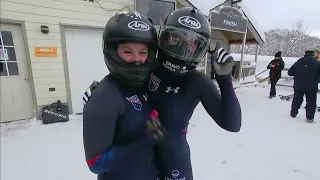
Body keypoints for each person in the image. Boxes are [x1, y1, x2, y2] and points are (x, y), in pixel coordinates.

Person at [83, 7, 241, 180]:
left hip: (173, 161)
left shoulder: (197, 82)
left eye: (192, 42)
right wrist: (99, 94)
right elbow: (122, 83)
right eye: (176, 38)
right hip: (139, 162)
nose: (182, 47)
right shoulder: (147, 67)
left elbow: (232, 124)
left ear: (200, 48)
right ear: (164, 38)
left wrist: (225, 81)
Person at [82, 11, 166, 180]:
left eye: (142, 53)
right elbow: (96, 163)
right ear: (112, 51)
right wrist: (143, 140)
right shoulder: (106, 95)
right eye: (128, 52)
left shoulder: (143, 85)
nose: (137, 59)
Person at [288, 50, 320, 123]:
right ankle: (310, 117)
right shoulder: (317, 63)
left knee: (296, 100)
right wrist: (317, 80)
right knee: (311, 102)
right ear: (313, 55)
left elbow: (290, 72)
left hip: (298, 86)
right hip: (311, 87)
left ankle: (293, 113)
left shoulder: (298, 62)